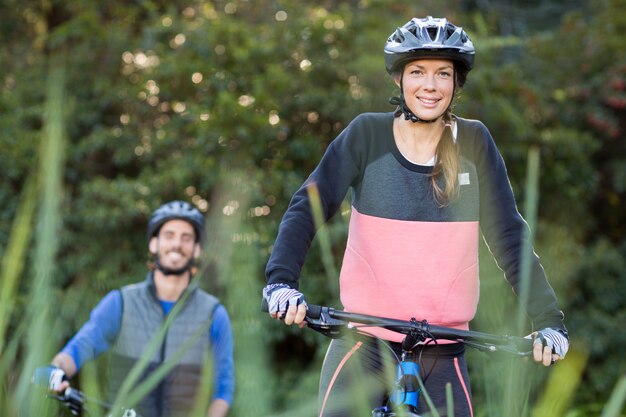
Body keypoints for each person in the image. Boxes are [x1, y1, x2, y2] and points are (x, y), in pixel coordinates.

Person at [262, 16, 569, 417]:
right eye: (418, 71)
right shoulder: (366, 136)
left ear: (456, 83)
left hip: (443, 352)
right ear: (399, 80)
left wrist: (550, 322)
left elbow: (509, 236)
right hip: (363, 343)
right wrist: (281, 283)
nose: (430, 85)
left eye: (443, 73)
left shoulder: (473, 142)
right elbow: (308, 207)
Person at [35, 201, 234, 417]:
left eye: (186, 238)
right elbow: (80, 347)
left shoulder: (213, 313)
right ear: (153, 244)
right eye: (169, 235)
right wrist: (56, 370)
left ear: (196, 249)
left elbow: (223, 387)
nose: (177, 244)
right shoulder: (121, 302)